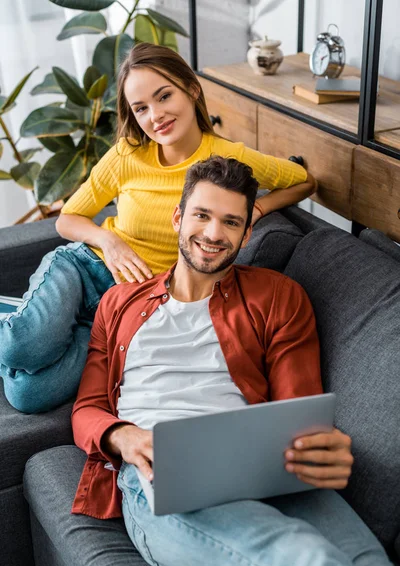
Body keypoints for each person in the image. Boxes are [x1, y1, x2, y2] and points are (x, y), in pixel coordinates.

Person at [72, 156, 400, 566]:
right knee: (303, 561)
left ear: (247, 234)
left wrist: (314, 443)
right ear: (178, 217)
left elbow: (296, 412)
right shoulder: (119, 303)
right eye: (202, 215)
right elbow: (88, 407)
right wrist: (124, 437)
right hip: (163, 473)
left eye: (230, 222)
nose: (212, 234)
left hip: (260, 466)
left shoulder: (278, 296)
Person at [0, 42, 316, 414]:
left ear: (191, 88)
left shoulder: (228, 159)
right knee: (19, 348)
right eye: (141, 108)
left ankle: (23, 314)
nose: (156, 116)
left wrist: (258, 207)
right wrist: (108, 240)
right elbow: (69, 218)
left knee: (28, 395)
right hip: (85, 268)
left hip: (124, 306)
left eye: (164, 96)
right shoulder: (126, 155)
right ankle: (23, 322)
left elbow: (304, 181)